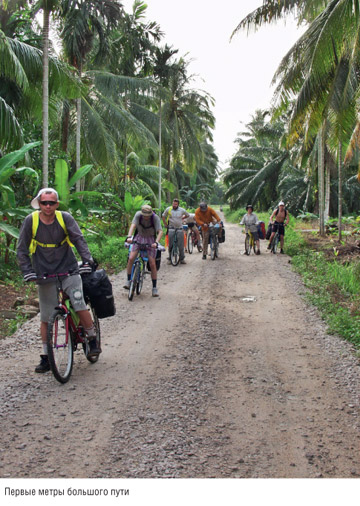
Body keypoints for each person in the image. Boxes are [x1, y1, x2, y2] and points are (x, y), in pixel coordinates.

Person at [16, 188, 100, 374]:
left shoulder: (65, 218)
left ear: (57, 204)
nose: (48, 206)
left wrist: (87, 261)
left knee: (78, 303)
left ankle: (92, 338)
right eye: (44, 203)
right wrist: (27, 271)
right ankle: (47, 356)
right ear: (39, 203)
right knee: (46, 316)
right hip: (43, 272)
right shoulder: (31, 220)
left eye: (51, 203)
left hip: (68, 268)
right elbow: (21, 248)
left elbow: (79, 239)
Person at [124, 204, 163, 297]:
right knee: (131, 258)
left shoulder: (155, 218)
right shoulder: (138, 215)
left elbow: (160, 231)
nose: (146, 217)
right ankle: (129, 280)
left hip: (150, 240)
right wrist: (129, 237)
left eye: (147, 216)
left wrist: (156, 242)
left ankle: (154, 288)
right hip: (139, 237)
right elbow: (133, 226)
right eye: (144, 215)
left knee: (152, 263)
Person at [162, 198, 189, 264]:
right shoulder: (168, 209)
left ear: (178, 205)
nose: (174, 205)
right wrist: (165, 224)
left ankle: (182, 258)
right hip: (171, 228)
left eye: (176, 204)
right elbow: (163, 216)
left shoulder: (182, 210)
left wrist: (183, 218)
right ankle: (170, 258)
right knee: (170, 243)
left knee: (181, 244)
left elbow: (187, 215)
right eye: (173, 204)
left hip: (179, 228)